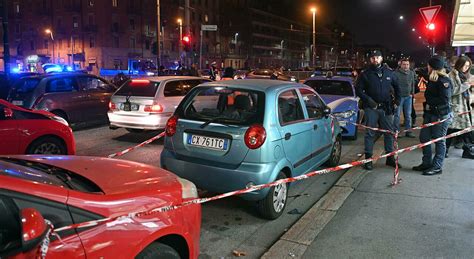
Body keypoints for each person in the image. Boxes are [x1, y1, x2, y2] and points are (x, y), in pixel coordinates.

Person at [356, 50, 401, 170]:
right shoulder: (365, 74)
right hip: (371, 108)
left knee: (389, 133)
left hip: (386, 108)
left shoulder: (389, 73)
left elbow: (397, 87)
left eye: (377, 57)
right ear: (370, 60)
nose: (375, 60)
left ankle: (390, 158)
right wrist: (368, 100)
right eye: (373, 58)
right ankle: (368, 159)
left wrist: (398, 101)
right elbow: (358, 90)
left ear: (381, 58)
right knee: (370, 134)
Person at [412, 56, 452, 176]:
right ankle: (426, 163)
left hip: (440, 115)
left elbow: (444, 99)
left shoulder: (443, 80)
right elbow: (423, 73)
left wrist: (429, 100)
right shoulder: (433, 78)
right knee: (424, 138)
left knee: (439, 141)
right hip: (430, 113)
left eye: (428, 65)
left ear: (433, 67)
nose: (427, 67)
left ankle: (437, 166)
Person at [445, 56, 473, 157]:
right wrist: (466, 85)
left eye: (468, 66)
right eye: (465, 65)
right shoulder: (450, 75)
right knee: (451, 129)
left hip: (466, 106)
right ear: (459, 64)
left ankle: (467, 151)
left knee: (467, 129)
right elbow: (451, 92)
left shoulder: (467, 76)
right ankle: (445, 150)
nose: (466, 68)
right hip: (456, 107)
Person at [393, 58, 416, 137]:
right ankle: (396, 132)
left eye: (407, 64)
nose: (406, 66)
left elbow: (412, 84)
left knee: (408, 115)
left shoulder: (411, 73)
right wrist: (394, 96)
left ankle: (408, 131)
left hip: (408, 97)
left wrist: (412, 94)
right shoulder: (395, 73)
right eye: (404, 64)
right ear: (400, 65)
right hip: (399, 98)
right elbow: (392, 86)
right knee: (397, 115)